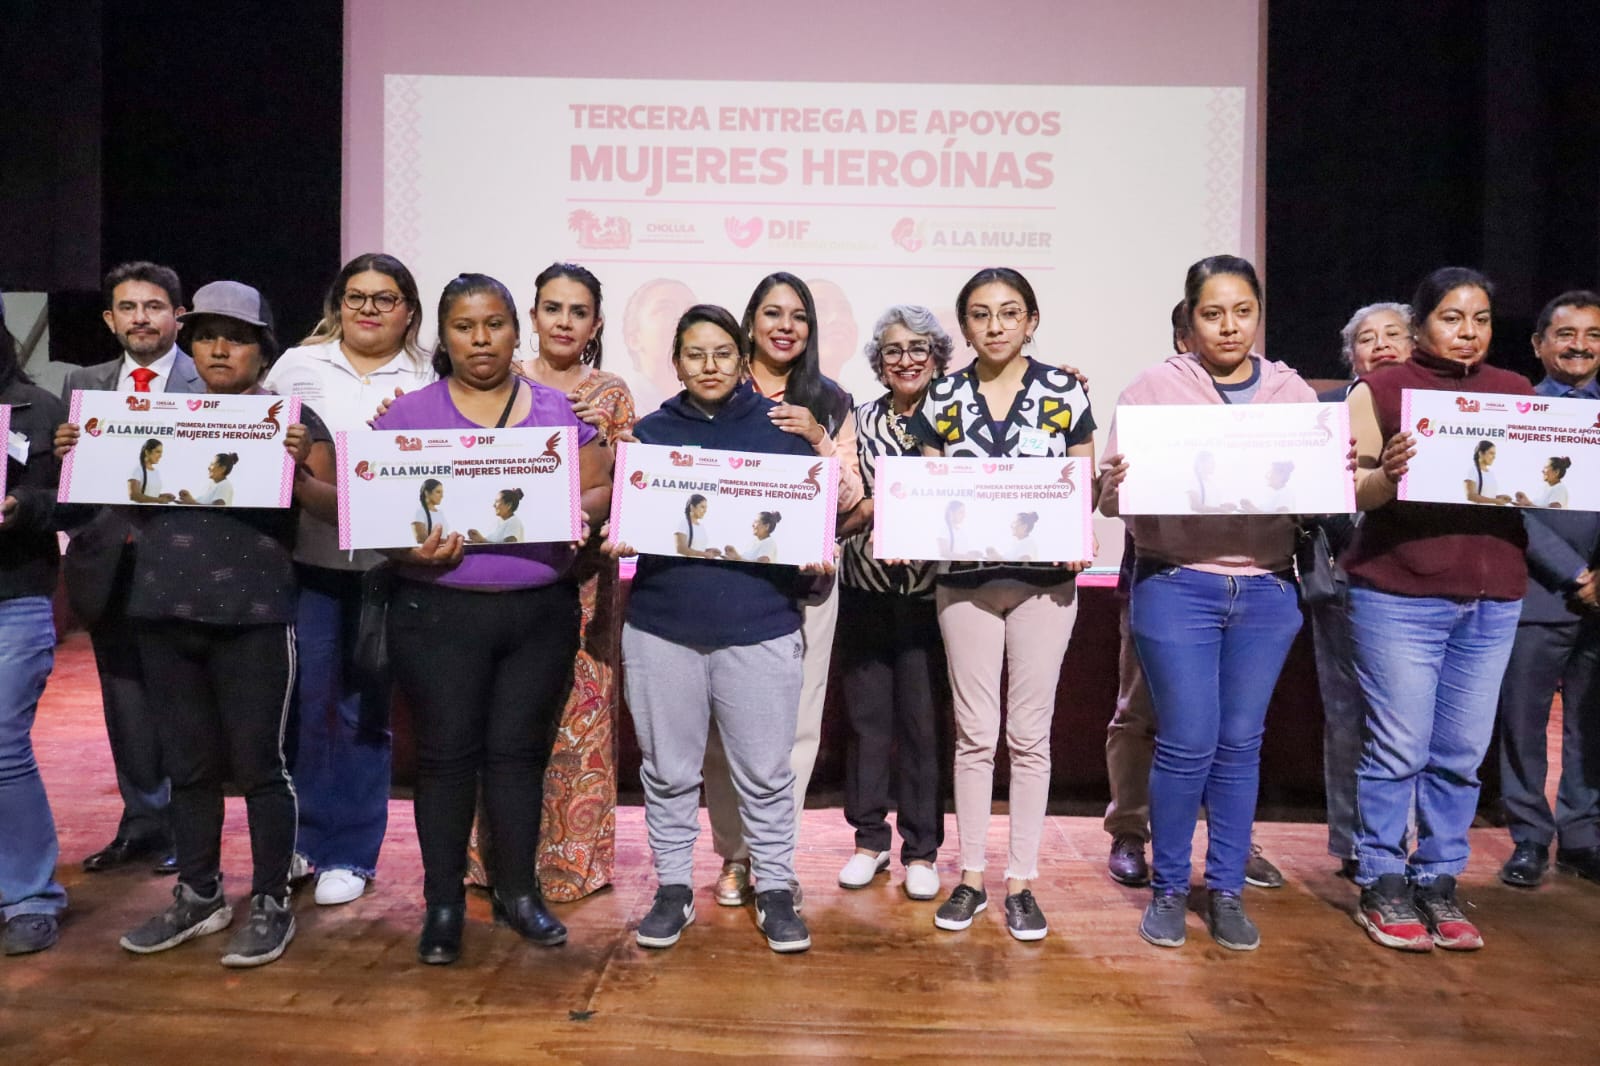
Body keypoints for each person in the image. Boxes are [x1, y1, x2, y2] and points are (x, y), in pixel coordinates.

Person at [58, 280, 335, 967]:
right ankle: (199, 893)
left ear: (261, 349)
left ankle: (270, 899)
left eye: (236, 336)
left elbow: (336, 511)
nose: (219, 346)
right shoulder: (150, 414)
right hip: (160, 611)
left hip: (255, 618)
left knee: (261, 767)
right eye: (207, 333)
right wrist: (78, 451)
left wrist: (299, 466)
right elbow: (96, 499)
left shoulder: (292, 419)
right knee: (189, 767)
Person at [373, 273, 610, 965]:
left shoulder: (553, 410)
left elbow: (597, 483)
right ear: (442, 337)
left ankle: (518, 891)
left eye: (495, 324)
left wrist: (578, 514)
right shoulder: (410, 415)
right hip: (437, 612)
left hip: (538, 612)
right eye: (465, 327)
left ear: (516, 329)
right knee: (445, 762)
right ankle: (443, 904)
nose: (481, 339)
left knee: (517, 759)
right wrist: (406, 544)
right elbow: (374, 507)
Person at [1099, 255, 1315, 952]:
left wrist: (1336, 476)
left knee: (1239, 745)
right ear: (1189, 320)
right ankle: (1168, 889)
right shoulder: (1152, 391)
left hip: (1267, 590)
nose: (1229, 326)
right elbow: (1112, 502)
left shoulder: (1293, 396)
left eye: (1242, 311)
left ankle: (1223, 890)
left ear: (1259, 315)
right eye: (1213, 312)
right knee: (1187, 741)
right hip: (1177, 583)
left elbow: (1314, 498)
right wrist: (1112, 485)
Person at [606, 304, 819, 953]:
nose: (709, 365)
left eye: (723, 352)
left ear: (742, 356)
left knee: (764, 772)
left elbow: (814, 527)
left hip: (760, 628)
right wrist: (620, 530)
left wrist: (815, 543)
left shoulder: (784, 432)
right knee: (668, 772)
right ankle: (674, 889)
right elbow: (628, 530)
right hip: (662, 626)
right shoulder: (647, 436)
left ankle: (776, 888)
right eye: (695, 354)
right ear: (676, 362)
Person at [1342, 267, 1536, 952]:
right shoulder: (1385, 388)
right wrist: (1388, 475)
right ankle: (1383, 878)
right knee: (1398, 746)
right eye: (1453, 318)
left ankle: (1440, 878)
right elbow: (1355, 493)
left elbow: (1546, 483)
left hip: (1494, 597)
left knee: (1460, 752)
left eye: (1480, 319)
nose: (1468, 332)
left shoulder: (1517, 393)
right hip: (1400, 594)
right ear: (1421, 323)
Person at [911, 267, 1097, 941]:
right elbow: (926, 493)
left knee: (1028, 737)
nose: (995, 325)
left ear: (1032, 320)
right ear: (964, 327)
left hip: (1045, 584)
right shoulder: (942, 396)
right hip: (964, 584)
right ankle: (970, 877)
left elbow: (1083, 484)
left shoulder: (1064, 390)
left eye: (1009, 312)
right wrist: (913, 533)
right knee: (974, 736)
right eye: (981, 315)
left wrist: (1083, 528)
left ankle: (1022, 881)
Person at [264, 253, 431, 906]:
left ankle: (351, 855)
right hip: (308, 562)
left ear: (408, 312)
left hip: (393, 571)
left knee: (366, 713)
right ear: (338, 303)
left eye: (384, 299)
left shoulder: (427, 376)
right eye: (356, 297)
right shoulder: (296, 369)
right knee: (306, 706)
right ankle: (302, 841)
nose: (369, 309)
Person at [702, 272, 864, 908]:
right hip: (728, 582)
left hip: (807, 584)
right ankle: (733, 855)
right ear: (749, 323)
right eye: (771, 313)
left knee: (798, 725)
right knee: (724, 728)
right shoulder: (718, 387)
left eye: (798, 315)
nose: (785, 326)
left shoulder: (829, 399)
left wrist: (817, 439)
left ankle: (775, 860)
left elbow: (849, 498)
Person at [499, 261, 635, 902]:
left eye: (578, 312)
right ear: (533, 316)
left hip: (583, 583)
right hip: (504, 575)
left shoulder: (610, 394)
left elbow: (630, 483)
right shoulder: (501, 380)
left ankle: (572, 861)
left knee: (578, 722)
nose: (564, 321)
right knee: (506, 720)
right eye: (553, 308)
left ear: (596, 324)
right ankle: (495, 863)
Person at [63, 261, 204, 876]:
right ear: (109, 319)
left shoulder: (210, 385)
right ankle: (141, 821)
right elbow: (69, 484)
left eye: (153, 306)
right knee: (124, 705)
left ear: (179, 316)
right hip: (108, 564)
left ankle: (185, 825)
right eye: (127, 307)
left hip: (182, 564)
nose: (140, 318)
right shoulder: (85, 381)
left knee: (181, 702)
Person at [835, 305, 954, 902]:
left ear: (937, 357)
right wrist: (886, 507)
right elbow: (843, 512)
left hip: (935, 598)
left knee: (922, 726)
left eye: (917, 349)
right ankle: (868, 840)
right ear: (879, 365)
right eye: (892, 351)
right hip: (865, 590)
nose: (906, 360)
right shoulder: (857, 421)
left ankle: (923, 849)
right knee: (866, 723)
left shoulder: (959, 415)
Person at [1497, 290, 1600, 889]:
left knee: (1594, 724)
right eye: (1566, 334)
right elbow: (1508, 503)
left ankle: (1583, 837)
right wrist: (1575, 574)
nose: (1580, 345)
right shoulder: (1517, 412)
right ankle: (1530, 838)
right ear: (1539, 344)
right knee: (1523, 725)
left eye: (1592, 334)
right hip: (1538, 592)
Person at [1313, 302, 1415, 879]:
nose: (1380, 346)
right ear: (1349, 356)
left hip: (1420, 585)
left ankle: (1410, 841)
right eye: (1366, 339)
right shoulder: (1324, 413)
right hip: (1346, 580)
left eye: (1393, 335)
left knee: (1408, 722)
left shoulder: (1438, 410)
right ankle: (1357, 844)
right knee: (1349, 714)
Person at [0, 296, 72, 955]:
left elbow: (70, 503)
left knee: (3, 743)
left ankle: (29, 894)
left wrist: (21, 505)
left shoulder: (39, 409)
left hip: (13, 594)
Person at [1465, 440, 1513, 505]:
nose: (1494, 457)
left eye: (1494, 454)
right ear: (1481, 453)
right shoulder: (1472, 470)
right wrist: (1495, 501)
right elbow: (1470, 496)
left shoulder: (1491, 473)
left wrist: (1499, 498)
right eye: (1491, 453)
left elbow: (1487, 496)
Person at [127, 439, 174, 504]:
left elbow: (149, 494)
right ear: (147, 452)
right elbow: (134, 495)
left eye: (161, 452)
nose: (160, 456)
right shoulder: (137, 470)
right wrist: (159, 500)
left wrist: (162, 496)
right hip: (140, 511)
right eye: (157, 452)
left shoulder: (156, 472)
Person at [674, 494, 718, 558]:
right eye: (702, 507)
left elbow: (696, 548)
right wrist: (704, 554)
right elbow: (680, 549)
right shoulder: (683, 523)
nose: (705, 510)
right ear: (692, 507)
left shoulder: (701, 527)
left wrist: (708, 551)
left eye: (706, 508)